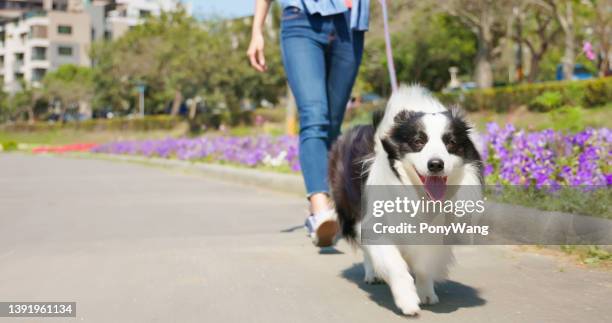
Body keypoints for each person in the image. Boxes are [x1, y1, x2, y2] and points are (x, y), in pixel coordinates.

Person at [248, 0, 369, 247]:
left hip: (350, 24)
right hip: (302, 20)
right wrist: (256, 31)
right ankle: (321, 209)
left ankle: (323, 208)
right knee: (315, 116)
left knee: (333, 124)